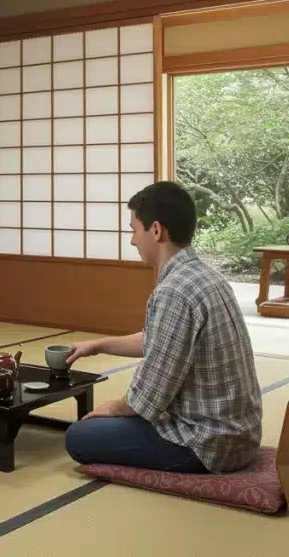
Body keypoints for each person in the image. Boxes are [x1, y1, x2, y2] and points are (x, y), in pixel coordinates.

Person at [63, 181, 263, 474]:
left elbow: (150, 395)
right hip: (240, 433)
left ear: (156, 230)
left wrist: (112, 409)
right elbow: (165, 341)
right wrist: (98, 345)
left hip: (207, 443)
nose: (132, 240)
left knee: (79, 437)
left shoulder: (174, 291)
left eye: (134, 229)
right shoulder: (206, 276)